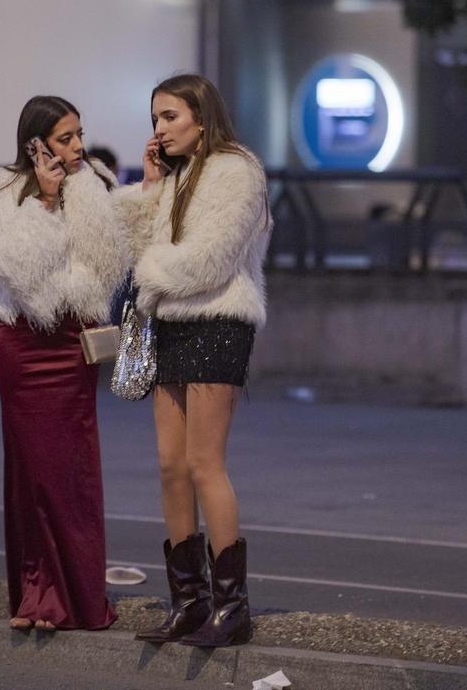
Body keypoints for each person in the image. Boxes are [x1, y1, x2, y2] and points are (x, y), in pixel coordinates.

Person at [118, 74, 270, 648]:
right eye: (155, 118)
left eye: (170, 117)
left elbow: (210, 260)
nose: (158, 129)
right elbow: (141, 252)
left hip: (219, 323)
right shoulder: (179, 176)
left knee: (205, 463)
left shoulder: (238, 171)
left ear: (202, 119)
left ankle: (233, 609)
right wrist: (152, 190)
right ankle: (188, 602)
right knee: (170, 466)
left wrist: (151, 281)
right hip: (173, 324)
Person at [0, 96, 127, 632]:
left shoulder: (95, 184)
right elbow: (17, 266)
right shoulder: (1, 188)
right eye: (65, 138)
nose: (78, 148)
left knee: (71, 470)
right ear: (36, 142)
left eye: (79, 135)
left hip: (71, 344)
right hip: (21, 342)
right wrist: (43, 201)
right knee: (30, 471)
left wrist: (77, 196)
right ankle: (37, 595)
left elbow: (108, 264)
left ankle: (76, 598)